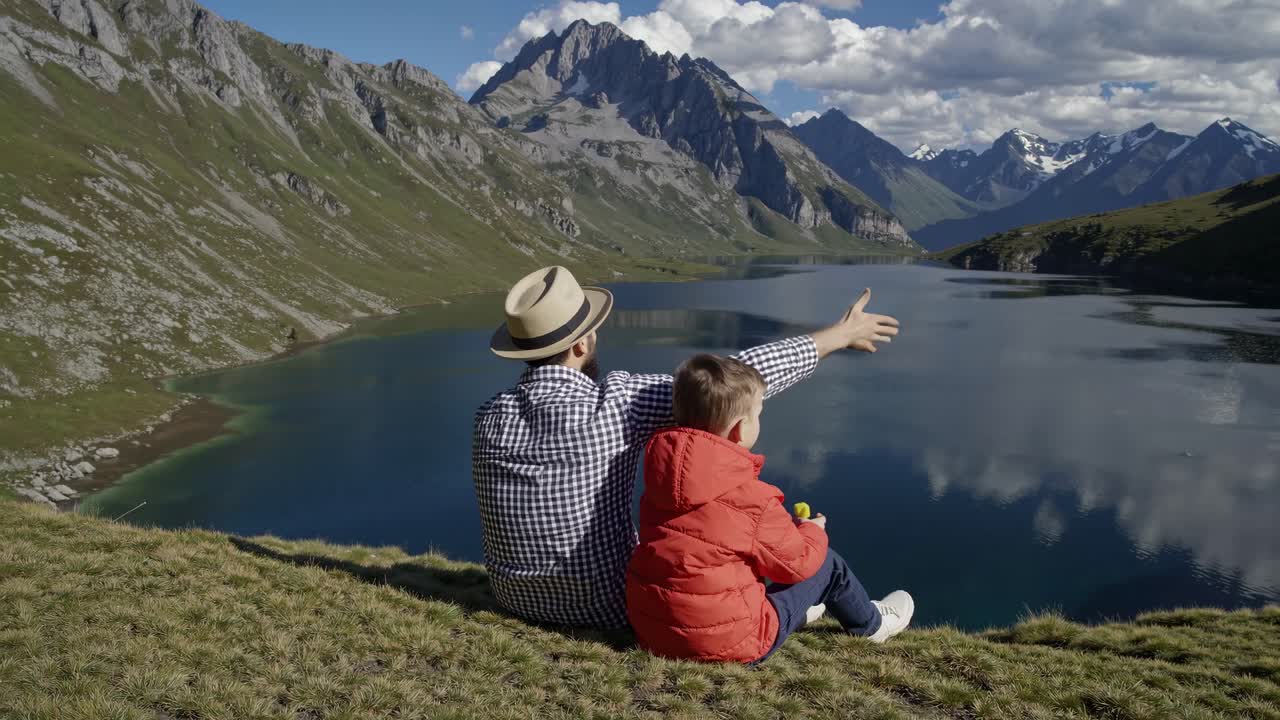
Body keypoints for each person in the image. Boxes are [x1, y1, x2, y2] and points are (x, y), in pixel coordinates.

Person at [472, 265, 901, 629]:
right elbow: (727, 383)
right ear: (581, 344)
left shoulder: (487, 417)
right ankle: (826, 615)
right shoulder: (617, 404)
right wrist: (838, 335)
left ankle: (783, 609)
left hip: (515, 599)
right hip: (607, 608)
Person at [626, 354, 913, 662]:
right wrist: (812, 531)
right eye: (758, 414)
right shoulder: (751, 498)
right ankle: (872, 625)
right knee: (828, 564)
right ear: (739, 429)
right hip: (730, 643)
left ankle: (795, 610)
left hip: (655, 633)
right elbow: (797, 565)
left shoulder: (661, 483)